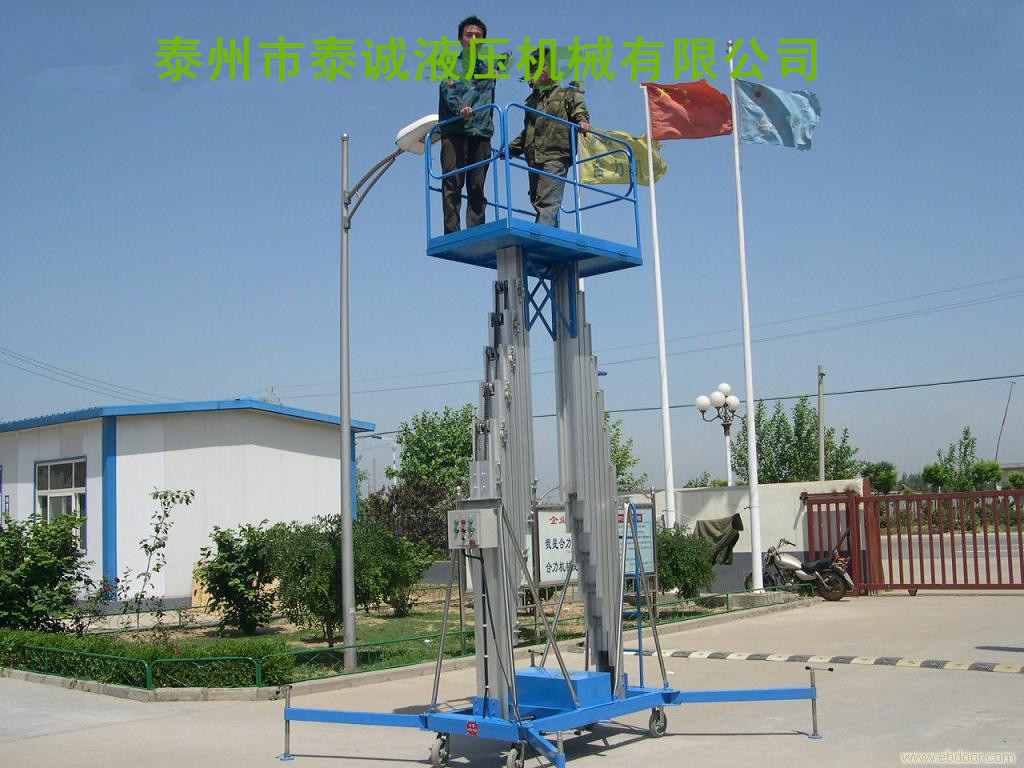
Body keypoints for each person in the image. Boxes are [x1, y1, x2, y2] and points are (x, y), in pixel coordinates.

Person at [507, 54, 591, 228]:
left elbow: (579, 110)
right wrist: (511, 149)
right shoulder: (531, 101)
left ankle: (538, 236)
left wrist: (582, 121)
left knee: (547, 202)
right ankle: (550, 234)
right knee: (536, 199)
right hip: (534, 156)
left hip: (556, 154)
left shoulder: (566, 93)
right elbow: (528, 131)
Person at [438, 16, 496, 234]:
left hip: (481, 132)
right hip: (455, 131)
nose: (473, 39)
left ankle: (476, 231)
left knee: (477, 186)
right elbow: (448, 91)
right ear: (461, 39)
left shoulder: (487, 70)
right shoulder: (451, 66)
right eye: (469, 35)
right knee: (452, 183)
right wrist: (460, 107)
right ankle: (452, 232)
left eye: (478, 36)